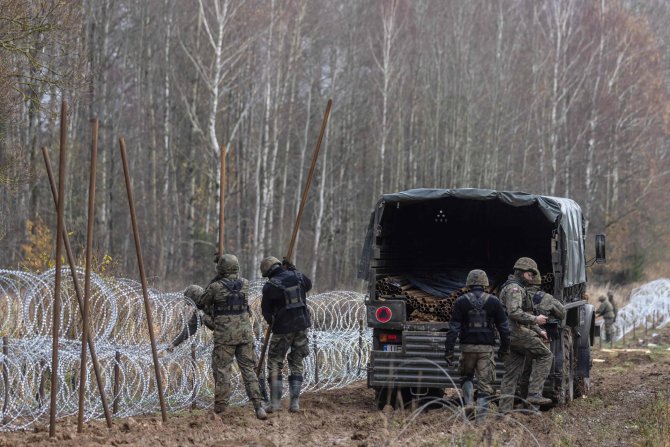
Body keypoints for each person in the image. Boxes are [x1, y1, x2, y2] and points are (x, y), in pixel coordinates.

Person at [200, 254, 267, 420]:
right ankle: (259, 406)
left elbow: (202, 302)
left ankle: (221, 408)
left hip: (225, 336)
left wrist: (215, 277)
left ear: (221, 269)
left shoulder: (215, 287)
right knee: (249, 370)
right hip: (245, 334)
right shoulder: (245, 283)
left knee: (222, 371)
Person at [445, 269, 510, 421]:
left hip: (466, 348)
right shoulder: (494, 301)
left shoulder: (460, 301)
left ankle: (468, 403)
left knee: (466, 376)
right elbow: (504, 329)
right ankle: (480, 422)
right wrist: (504, 348)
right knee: (484, 385)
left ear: (469, 283)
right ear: (485, 283)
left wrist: (448, 352)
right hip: (486, 350)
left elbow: (453, 329)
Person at [498, 257, 553, 413]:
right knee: (546, 355)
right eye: (530, 274)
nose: (532, 277)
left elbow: (522, 315)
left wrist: (538, 331)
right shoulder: (514, 289)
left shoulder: (513, 287)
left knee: (511, 375)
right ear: (520, 273)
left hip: (509, 335)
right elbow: (515, 313)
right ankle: (534, 394)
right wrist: (536, 319)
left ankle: (504, 413)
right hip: (516, 333)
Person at [260, 256, 312, 413]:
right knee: (296, 361)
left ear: (268, 272)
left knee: (275, 362)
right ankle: (295, 403)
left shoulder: (270, 286)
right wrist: (293, 270)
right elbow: (308, 285)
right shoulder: (299, 276)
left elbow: (266, 311)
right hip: (302, 325)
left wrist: (272, 322)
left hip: (283, 328)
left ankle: (274, 404)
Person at [517, 272, 565, 404]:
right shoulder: (547, 297)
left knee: (524, 371)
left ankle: (522, 401)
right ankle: (533, 406)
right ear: (539, 283)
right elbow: (562, 313)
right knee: (538, 370)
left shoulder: (518, 295)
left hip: (523, 336)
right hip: (542, 337)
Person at [167, 285, 215, 351]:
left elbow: (219, 325)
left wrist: (204, 317)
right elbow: (190, 328)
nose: (191, 306)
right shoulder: (200, 309)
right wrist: (174, 343)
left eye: (191, 303)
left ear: (196, 299)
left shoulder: (214, 302)